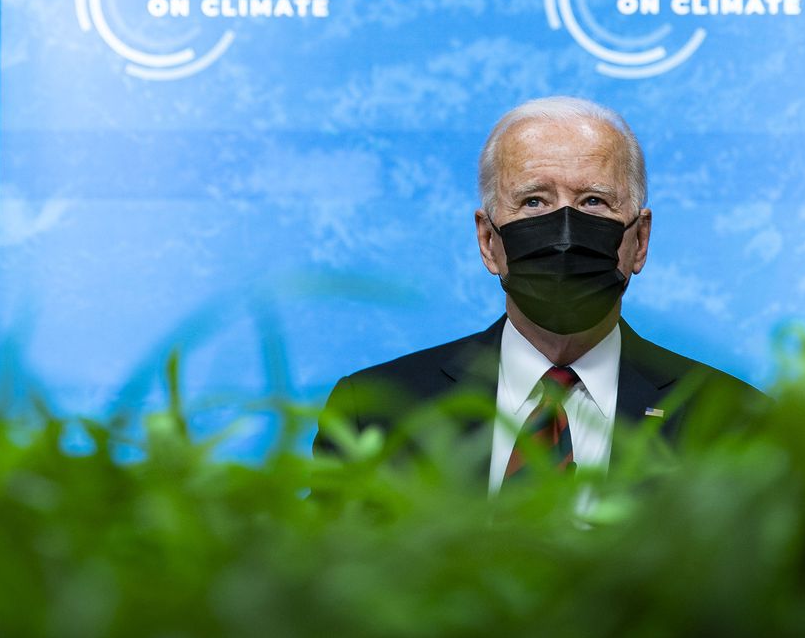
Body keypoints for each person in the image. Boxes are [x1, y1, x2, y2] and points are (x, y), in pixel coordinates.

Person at [315, 96, 757, 491]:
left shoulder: (734, 421)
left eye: (593, 201)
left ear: (639, 240)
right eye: (534, 202)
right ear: (488, 241)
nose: (564, 231)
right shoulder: (375, 408)